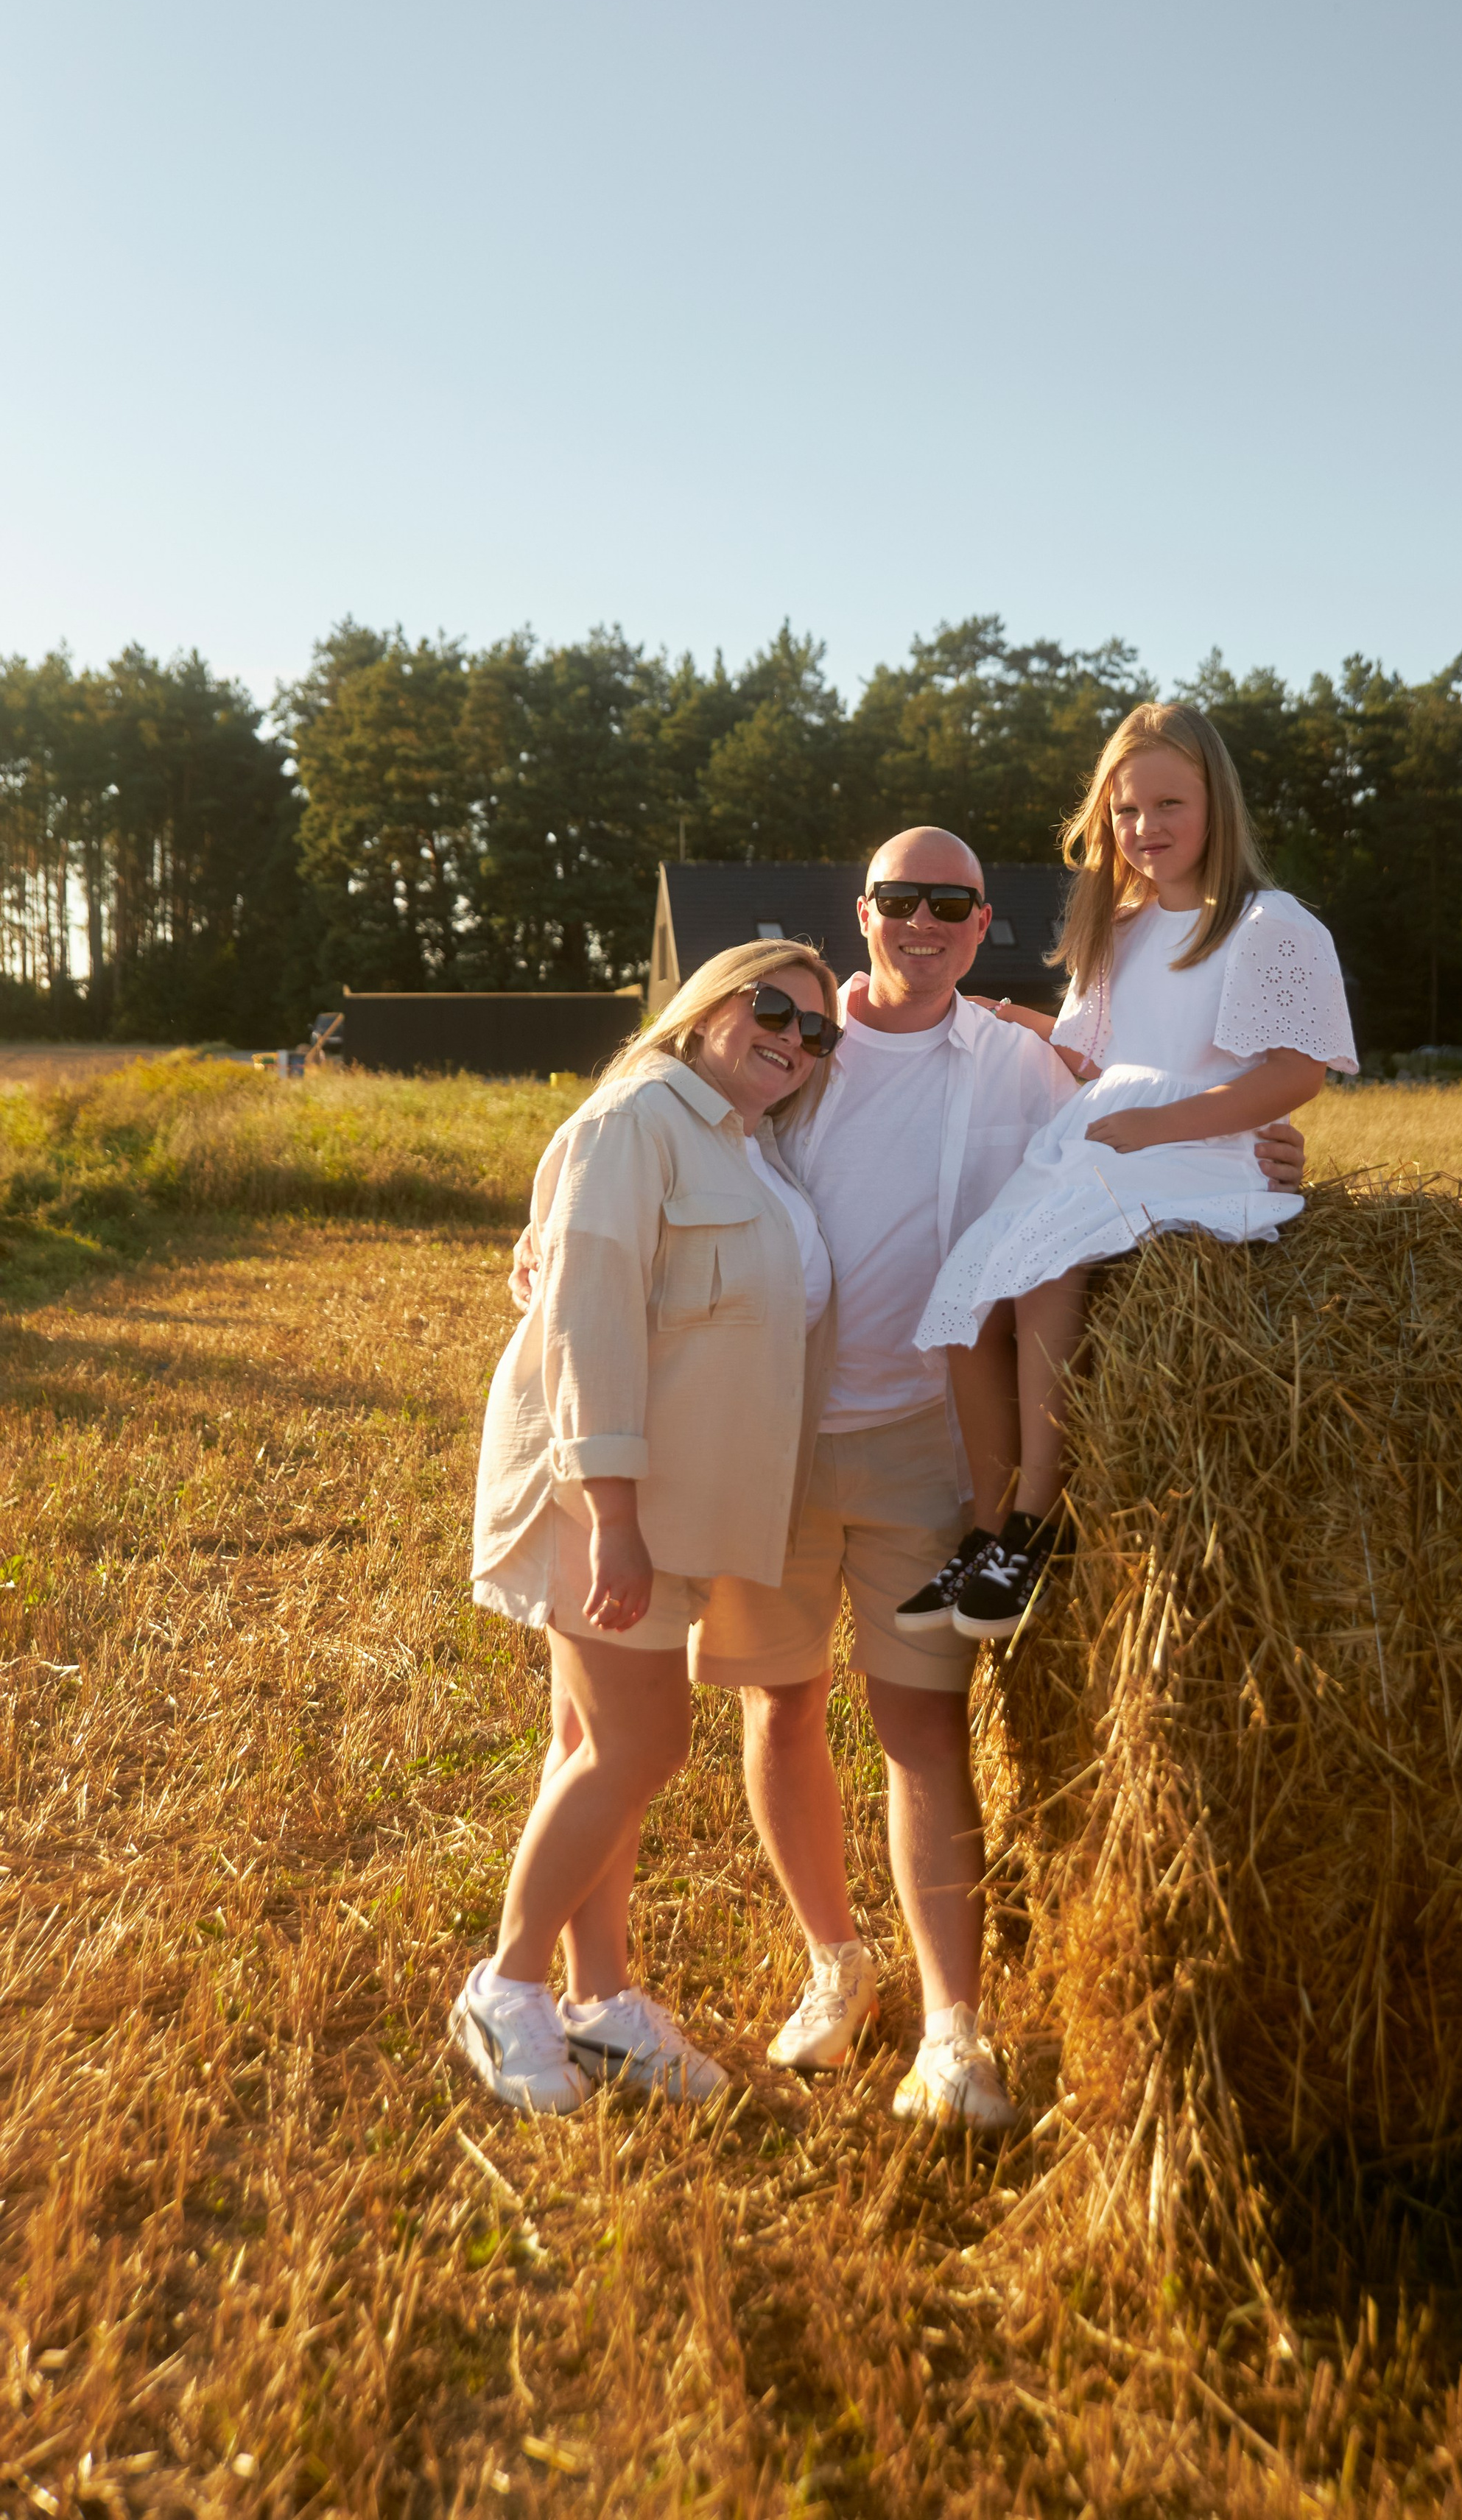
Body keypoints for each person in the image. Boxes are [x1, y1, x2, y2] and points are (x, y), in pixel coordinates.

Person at [510, 824, 1310, 2129]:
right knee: (780, 1704)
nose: (922, 923)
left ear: (985, 924)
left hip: (923, 1447)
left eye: (951, 904)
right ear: (864, 912)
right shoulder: (795, 1047)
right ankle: (834, 1963)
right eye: (899, 900)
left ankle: (954, 2032)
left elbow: (1144, 1130)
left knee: (922, 1731)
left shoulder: (1024, 1062)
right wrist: (541, 1241)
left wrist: (1264, 1154)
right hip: (760, 1438)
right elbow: (633, 1143)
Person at [451, 941, 842, 2116]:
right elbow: (588, 1318)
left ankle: (603, 2000)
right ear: (710, 1003)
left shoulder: (743, 1142)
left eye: (817, 1032)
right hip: (609, 1492)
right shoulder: (638, 1120)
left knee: (591, 1749)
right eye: (774, 1008)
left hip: (677, 1500)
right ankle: (506, 1988)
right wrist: (611, 1509)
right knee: (640, 1743)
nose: (793, 1039)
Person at [904, 703, 1357, 1644]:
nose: (1144, 828)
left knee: (1045, 1271)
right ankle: (985, 1526)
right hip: (1113, 1141)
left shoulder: (1268, 924)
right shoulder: (1122, 927)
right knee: (966, 1292)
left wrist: (1157, 1125)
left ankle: (1038, 1521)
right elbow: (1088, 1061)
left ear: (1215, 805)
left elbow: (1292, 1072)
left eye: (1168, 804)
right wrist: (1004, 1020)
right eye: (1123, 811)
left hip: (1203, 1149)